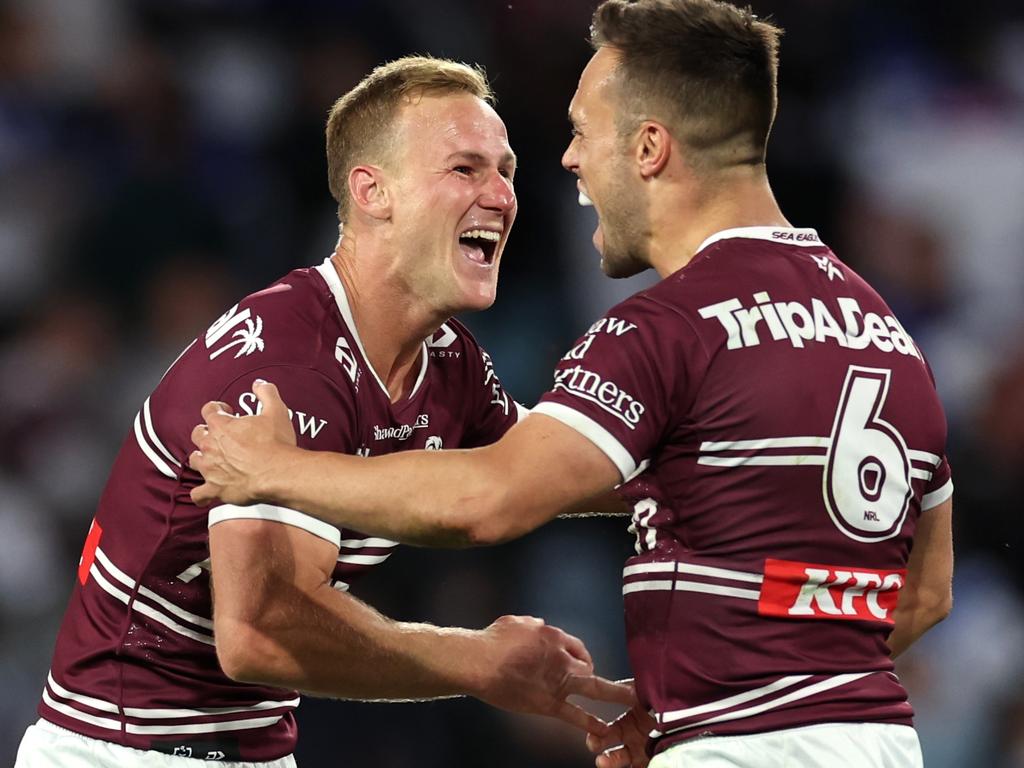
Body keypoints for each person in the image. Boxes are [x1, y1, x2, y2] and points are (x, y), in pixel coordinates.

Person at [189, 2, 956, 768]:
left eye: (584, 131)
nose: (568, 160)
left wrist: (274, 471)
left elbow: (491, 500)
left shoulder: (667, 328)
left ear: (649, 147)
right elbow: (926, 593)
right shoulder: (886, 332)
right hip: (881, 742)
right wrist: (769, 684)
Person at [15, 56, 631, 768]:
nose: (500, 195)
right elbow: (260, 633)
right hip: (126, 752)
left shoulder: (448, 359)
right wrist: (476, 661)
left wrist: (735, 468)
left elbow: (543, 471)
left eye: (506, 171)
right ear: (373, 191)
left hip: (244, 749)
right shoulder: (286, 366)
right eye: (465, 169)